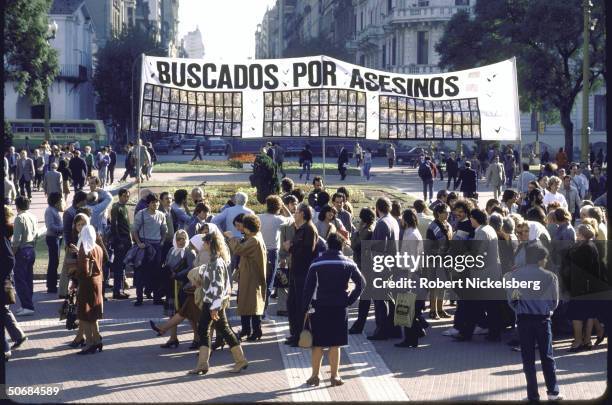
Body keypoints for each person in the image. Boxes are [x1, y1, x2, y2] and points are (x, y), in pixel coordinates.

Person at [303, 233, 365, 386]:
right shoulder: (349, 263)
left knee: (317, 344)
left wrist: (305, 308)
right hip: (339, 307)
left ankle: (315, 376)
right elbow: (362, 284)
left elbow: (308, 288)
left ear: (328, 245)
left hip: (319, 307)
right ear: (342, 246)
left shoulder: (316, 263)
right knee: (335, 344)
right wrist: (349, 300)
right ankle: (335, 376)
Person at [505, 243, 563, 401]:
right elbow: (554, 302)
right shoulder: (550, 276)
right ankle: (552, 391)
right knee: (547, 357)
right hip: (542, 320)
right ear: (540, 259)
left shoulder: (515, 276)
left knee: (528, 359)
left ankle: (533, 394)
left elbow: (512, 300)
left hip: (523, 320)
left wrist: (520, 308)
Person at [189, 231, 248, 375]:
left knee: (219, 330)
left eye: (204, 242)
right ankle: (204, 364)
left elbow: (218, 287)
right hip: (213, 302)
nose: (203, 244)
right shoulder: (217, 260)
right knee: (211, 329)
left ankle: (239, 361)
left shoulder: (215, 262)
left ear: (209, 244)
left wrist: (214, 307)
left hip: (213, 303)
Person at [150, 230, 198, 348]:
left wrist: (177, 274)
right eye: (179, 239)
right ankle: (173, 338)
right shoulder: (171, 250)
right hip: (171, 286)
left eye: (183, 238)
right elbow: (166, 263)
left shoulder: (189, 252)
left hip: (184, 287)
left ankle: (197, 337)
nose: (181, 241)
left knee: (189, 314)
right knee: (172, 313)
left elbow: (192, 268)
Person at [561, 224, 605, 352]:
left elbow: (576, 266)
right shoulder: (589, 246)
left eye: (577, 232)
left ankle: (580, 341)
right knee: (588, 313)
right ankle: (588, 338)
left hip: (581, 287)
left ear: (580, 234)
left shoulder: (584, 248)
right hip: (587, 286)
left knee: (577, 315)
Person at [225, 214, 267, 341]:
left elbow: (239, 250)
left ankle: (255, 331)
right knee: (248, 304)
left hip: (251, 276)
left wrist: (231, 238)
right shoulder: (255, 237)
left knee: (251, 305)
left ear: (248, 228)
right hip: (250, 274)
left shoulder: (254, 240)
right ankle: (248, 330)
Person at [284, 203, 319, 347]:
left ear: (303, 214)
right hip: (296, 273)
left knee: (300, 305)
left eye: (297, 211)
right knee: (292, 304)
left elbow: (306, 253)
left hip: (303, 274)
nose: (294, 213)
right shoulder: (301, 229)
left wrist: (290, 248)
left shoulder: (309, 229)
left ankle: (300, 336)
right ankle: (294, 334)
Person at [369, 197, 401, 340]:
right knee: (389, 297)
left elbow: (378, 248)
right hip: (392, 263)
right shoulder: (393, 220)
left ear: (377, 208)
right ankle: (395, 329)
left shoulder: (381, 224)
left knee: (380, 299)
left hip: (382, 266)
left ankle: (382, 330)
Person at [258, 195, 293, 316]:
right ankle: (263, 310)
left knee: (258, 281)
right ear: (278, 207)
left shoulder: (258, 217)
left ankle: (256, 308)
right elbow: (291, 218)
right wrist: (284, 207)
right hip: (272, 253)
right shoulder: (279, 219)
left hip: (258, 251)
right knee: (269, 282)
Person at [131, 193, 168, 306]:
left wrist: (162, 241)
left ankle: (156, 298)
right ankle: (139, 298)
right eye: (153, 202)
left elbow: (164, 229)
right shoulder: (141, 214)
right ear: (148, 204)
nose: (155, 204)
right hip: (144, 246)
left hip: (156, 246)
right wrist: (138, 243)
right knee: (141, 272)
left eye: (157, 202)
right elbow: (134, 230)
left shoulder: (161, 215)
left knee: (156, 273)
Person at [73, 224, 105, 354]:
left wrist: (74, 272)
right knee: (94, 315)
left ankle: (89, 343)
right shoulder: (98, 248)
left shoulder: (84, 249)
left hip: (86, 284)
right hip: (98, 283)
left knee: (84, 315)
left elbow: (84, 271)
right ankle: (97, 340)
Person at [348, 208, 376, 334]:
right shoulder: (371, 228)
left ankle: (359, 324)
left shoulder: (367, 231)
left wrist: (357, 232)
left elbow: (354, 245)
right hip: (366, 265)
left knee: (365, 297)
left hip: (365, 266)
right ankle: (359, 324)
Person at [425, 203, 453, 320]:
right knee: (434, 286)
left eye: (448, 212)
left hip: (444, 259)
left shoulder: (447, 224)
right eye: (446, 212)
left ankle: (441, 309)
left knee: (442, 285)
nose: (448, 214)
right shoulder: (433, 226)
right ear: (438, 213)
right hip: (435, 259)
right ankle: (433, 310)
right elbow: (432, 245)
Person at [11, 196, 38, 316]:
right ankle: (26, 304)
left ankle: (27, 305)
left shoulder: (19, 218)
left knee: (20, 279)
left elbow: (16, 240)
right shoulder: (33, 217)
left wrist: (12, 253)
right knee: (28, 279)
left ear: (17, 206)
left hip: (22, 250)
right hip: (31, 249)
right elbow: (36, 234)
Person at [110, 188, 132, 299]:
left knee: (122, 267)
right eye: (124, 196)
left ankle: (121, 290)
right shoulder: (116, 208)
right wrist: (118, 241)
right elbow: (114, 226)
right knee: (119, 267)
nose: (126, 198)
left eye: (127, 196)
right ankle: (117, 291)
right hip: (121, 241)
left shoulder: (124, 208)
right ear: (119, 196)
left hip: (127, 240)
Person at [44, 192, 64, 294]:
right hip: (52, 238)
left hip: (56, 238)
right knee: (53, 262)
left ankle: (52, 284)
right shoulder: (50, 211)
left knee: (55, 262)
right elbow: (50, 226)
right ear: (56, 201)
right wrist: (63, 228)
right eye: (60, 200)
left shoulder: (54, 210)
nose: (62, 201)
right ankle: (51, 286)